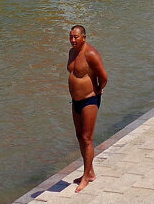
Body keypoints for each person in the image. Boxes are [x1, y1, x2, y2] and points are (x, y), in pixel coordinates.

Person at [67, 24, 108, 192]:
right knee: (79, 136)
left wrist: (98, 89)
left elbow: (103, 76)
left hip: (89, 100)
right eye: (71, 37)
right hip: (75, 100)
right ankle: (89, 172)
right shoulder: (71, 53)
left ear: (84, 37)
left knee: (87, 138)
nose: (72, 40)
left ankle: (86, 176)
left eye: (76, 37)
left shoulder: (90, 53)